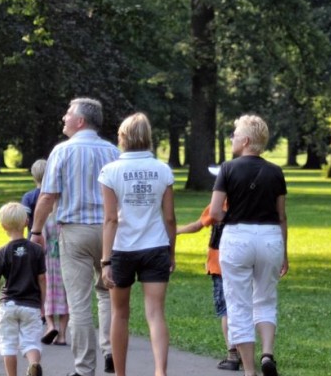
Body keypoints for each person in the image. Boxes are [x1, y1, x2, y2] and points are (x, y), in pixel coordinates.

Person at [30, 97, 119, 376]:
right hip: (110, 231)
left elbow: (47, 196)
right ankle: (110, 351)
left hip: (75, 232)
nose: (63, 119)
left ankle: (84, 369)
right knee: (107, 296)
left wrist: (35, 231)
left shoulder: (63, 151)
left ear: (80, 120)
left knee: (79, 303)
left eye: (68, 114)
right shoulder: (113, 151)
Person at [99, 112, 176, 376]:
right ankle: (160, 371)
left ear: (122, 137)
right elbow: (169, 218)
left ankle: (120, 373)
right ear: (148, 138)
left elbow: (110, 219)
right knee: (155, 313)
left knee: (120, 314)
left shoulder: (110, 171)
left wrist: (105, 261)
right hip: (156, 247)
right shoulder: (163, 170)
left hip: (122, 249)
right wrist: (171, 252)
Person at [211, 115, 288, 376]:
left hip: (237, 238)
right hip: (270, 238)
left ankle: (249, 371)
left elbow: (215, 211)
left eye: (234, 134)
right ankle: (267, 353)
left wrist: (230, 218)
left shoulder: (228, 169)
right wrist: (284, 253)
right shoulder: (275, 172)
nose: (232, 138)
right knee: (266, 299)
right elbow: (281, 215)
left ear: (245, 141)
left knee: (238, 305)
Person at [177, 167, 240, 371]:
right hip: (243, 261)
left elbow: (197, 225)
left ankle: (232, 354)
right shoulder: (246, 204)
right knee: (242, 307)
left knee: (225, 310)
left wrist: (174, 231)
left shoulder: (219, 204)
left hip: (219, 263)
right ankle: (245, 351)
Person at [0, 202, 48, 376]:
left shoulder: (2, 252)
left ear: (3, 226)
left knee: (8, 344)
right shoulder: (37, 250)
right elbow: (42, 279)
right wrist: (43, 304)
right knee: (31, 342)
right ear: (27, 222)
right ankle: (34, 364)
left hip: (8, 305)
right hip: (31, 305)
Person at [24, 158, 68, 345]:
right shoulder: (64, 212)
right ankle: (63, 336)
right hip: (65, 259)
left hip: (44, 257)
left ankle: (50, 325)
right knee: (65, 296)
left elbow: (29, 223)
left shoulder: (31, 199)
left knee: (46, 292)